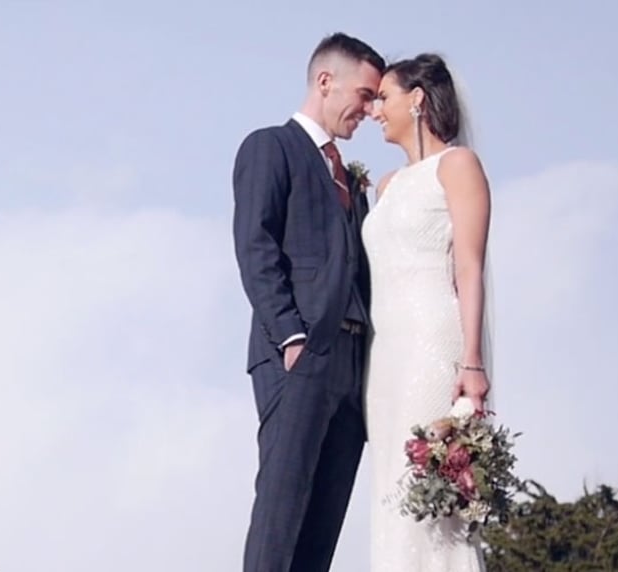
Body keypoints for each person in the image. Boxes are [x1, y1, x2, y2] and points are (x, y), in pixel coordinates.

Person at [232, 33, 385, 571]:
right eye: (365, 95)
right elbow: (255, 246)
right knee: (280, 516)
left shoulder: (350, 177)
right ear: (325, 81)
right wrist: (292, 337)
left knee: (323, 530)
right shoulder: (270, 146)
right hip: (299, 354)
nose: (370, 110)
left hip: (352, 367)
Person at [362, 53, 492, 571]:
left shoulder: (457, 166)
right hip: (385, 356)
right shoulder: (386, 185)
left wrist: (472, 362)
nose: (374, 110)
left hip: (431, 343)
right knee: (391, 493)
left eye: (383, 97)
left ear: (417, 99)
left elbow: (470, 267)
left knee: (428, 495)